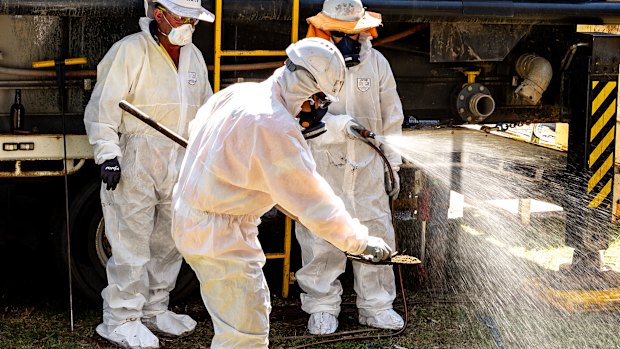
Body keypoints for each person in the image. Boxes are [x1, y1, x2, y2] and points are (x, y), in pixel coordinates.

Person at [171, 37, 393, 349]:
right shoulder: (274, 125)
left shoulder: (241, 93)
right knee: (244, 334)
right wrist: (360, 242)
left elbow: (197, 130)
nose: (317, 110)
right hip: (220, 235)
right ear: (304, 84)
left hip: (195, 218)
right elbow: (318, 205)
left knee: (236, 324)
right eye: (319, 100)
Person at [83, 0, 214, 347]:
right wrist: (108, 154)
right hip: (137, 157)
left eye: (193, 19)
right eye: (183, 17)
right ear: (160, 15)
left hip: (179, 157)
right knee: (131, 241)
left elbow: (206, 109)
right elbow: (103, 107)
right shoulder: (129, 51)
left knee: (169, 240)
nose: (190, 24)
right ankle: (121, 318)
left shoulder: (194, 58)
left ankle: (155, 309)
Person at [294, 0, 405, 335]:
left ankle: (376, 305)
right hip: (321, 163)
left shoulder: (378, 64)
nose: (346, 41)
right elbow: (296, 116)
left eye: (350, 33)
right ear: (325, 30)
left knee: (375, 232)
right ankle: (322, 306)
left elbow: (392, 116)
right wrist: (337, 126)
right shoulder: (305, 63)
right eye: (338, 33)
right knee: (321, 235)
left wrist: (393, 166)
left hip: (369, 165)